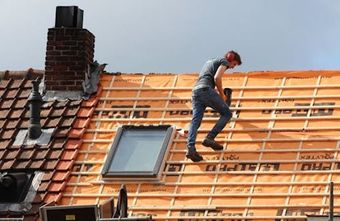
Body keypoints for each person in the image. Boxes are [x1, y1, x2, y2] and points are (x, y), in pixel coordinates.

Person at [186, 51, 242, 162]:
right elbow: (217, 78)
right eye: (234, 64)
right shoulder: (224, 61)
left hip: (196, 92)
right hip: (205, 90)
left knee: (195, 122)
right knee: (227, 114)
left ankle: (191, 148)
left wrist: (215, 92)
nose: (232, 67)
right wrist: (222, 95)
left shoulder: (210, 61)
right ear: (230, 59)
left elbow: (208, 79)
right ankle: (210, 138)